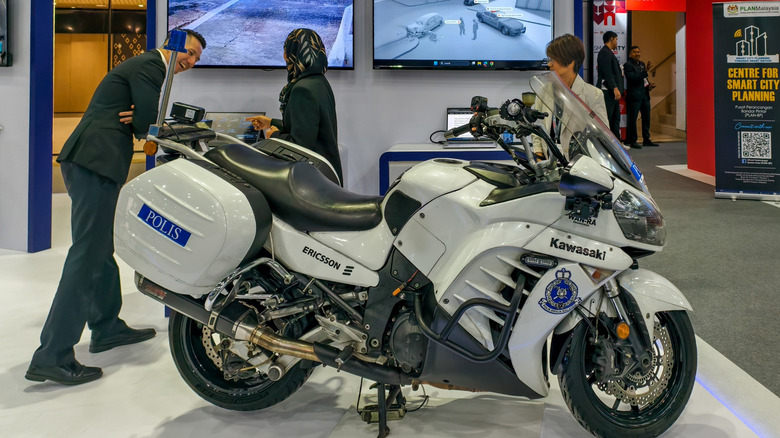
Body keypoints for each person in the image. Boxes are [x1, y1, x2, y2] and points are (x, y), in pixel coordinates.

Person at [25, 29, 206, 386]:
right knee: (87, 254)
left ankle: (106, 327)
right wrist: (150, 123)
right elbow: (145, 125)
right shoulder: (152, 67)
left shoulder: (150, 68)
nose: (192, 61)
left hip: (94, 161)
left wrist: (146, 121)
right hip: (95, 161)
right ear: (172, 44)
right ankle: (52, 355)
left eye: (198, 58)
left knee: (98, 250)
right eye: (190, 52)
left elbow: (144, 120)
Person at [247, 28, 342, 183]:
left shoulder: (302, 89)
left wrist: (273, 136)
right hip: (326, 176)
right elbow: (308, 128)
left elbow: (300, 146)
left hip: (313, 181)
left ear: (288, 55)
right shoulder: (319, 82)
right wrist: (271, 123)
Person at [532, 34, 609, 160]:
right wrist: (539, 155)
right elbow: (537, 125)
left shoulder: (593, 95)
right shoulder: (544, 91)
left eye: (553, 59)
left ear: (570, 62)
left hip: (579, 168)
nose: (549, 64)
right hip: (549, 165)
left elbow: (603, 138)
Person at [623, 45, 658, 148]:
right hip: (634, 97)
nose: (637, 54)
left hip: (645, 96)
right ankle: (633, 141)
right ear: (630, 54)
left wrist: (649, 85)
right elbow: (633, 78)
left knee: (646, 118)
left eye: (638, 52)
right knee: (632, 119)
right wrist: (645, 71)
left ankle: (646, 139)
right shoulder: (628, 65)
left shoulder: (642, 64)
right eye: (635, 52)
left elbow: (644, 79)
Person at [596, 31, 625, 143]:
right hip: (608, 92)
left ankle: (617, 143)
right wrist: (614, 88)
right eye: (616, 39)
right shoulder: (604, 53)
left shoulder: (609, 53)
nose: (617, 41)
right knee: (608, 118)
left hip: (612, 92)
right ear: (611, 39)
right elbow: (607, 73)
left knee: (615, 119)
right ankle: (606, 143)